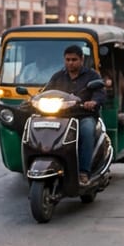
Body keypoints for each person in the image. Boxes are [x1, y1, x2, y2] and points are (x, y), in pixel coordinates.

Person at [46, 45, 106, 186]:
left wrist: (93, 102)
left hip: (83, 116)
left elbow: (100, 93)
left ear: (81, 60)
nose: (70, 63)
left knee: (86, 131)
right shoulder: (58, 76)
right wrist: (35, 100)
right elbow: (47, 91)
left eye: (74, 59)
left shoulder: (92, 76)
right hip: (61, 117)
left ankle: (84, 172)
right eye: (67, 60)